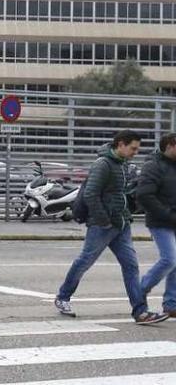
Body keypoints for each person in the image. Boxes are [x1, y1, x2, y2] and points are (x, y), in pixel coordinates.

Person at [54, 130, 169, 324]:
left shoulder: (122, 164)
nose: (135, 152)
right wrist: (104, 219)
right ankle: (63, 297)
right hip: (103, 225)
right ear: (121, 144)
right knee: (85, 261)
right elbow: (91, 194)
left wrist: (125, 214)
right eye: (133, 148)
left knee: (131, 266)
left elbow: (120, 194)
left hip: (121, 224)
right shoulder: (103, 164)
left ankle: (140, 312)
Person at [138, 132, 176, 317]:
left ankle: (171, 304)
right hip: (160, 221)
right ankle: (140, 291)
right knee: (169, 259)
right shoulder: (153, 165)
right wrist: (169, 215)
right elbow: (145, 195)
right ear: (169, 145)